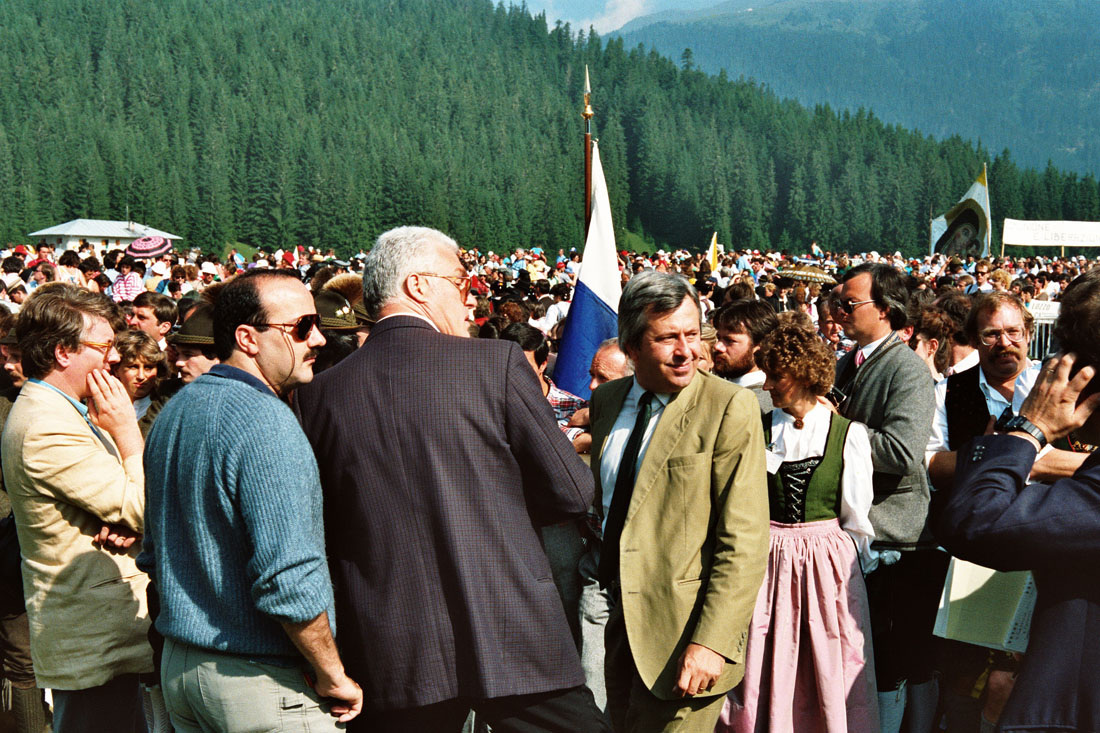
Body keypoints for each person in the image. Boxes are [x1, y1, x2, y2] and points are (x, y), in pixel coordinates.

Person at [295, 226, 605, 732]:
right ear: (418, 285)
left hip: (394, 644)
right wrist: (498, 513)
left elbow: (324, 523)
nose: (471, 298)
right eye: (461, 282)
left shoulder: (319, 394)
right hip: (511, 626)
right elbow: (572, 491)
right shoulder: (496, 363)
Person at [140, 268, 362, 730]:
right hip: (257, 680)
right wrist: (332, 673)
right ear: (248, 338)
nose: (318, 339)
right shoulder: (266, 423)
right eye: (302, 327)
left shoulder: (176, 410)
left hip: (183, 669)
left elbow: (155, 554)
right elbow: (289, 579)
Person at [588, 271, 768, 732]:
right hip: (619, 629)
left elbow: (744, 540)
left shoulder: (729, 407)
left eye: (692, 334)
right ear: (631, 347)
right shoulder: (608, 401)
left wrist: (712, 642)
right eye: (668, 338)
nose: (687, 351)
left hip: (685, 639)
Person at [934, 267, 1100, 732]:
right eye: (991, 334)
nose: (1004, 344)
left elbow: (975, 521)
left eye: (1014, 333)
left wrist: (1027, 432)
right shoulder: (950, 390)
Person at [2, 284, 152, 731]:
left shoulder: (66, 411)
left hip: (106, 638)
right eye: (104, 346)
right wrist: (128, 433)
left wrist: (128, 518)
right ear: (63, 352)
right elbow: (143, 506)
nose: (115, 358)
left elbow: (129, 506)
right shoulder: (46, 425)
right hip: (95, 644)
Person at [718, 323, 877, 733]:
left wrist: (844, 576)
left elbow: (856, 518)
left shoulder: (847, 434)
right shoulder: (758, 427)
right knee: (761, 658)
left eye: (778, 376)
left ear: (805, 375)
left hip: (825, 567)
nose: (768, 385)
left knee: (827, 661)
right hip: (765, 562)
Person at [831, 262, 938, 732]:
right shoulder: (849, 361)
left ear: (885, 309)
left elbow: (901, 452)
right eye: (837, 302)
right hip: (861, 532)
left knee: (888, 663)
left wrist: (834, 429)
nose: (839, 310)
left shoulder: (907, 369)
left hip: (896, 539)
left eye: (849, 302)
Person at [710, 299, 778, 413]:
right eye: (719, 338)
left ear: (760, 345)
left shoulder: (764, 405)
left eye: (729, 340)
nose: (717, 346)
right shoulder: (718, 388)